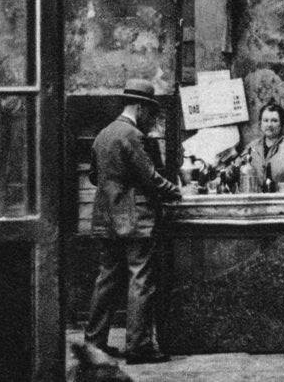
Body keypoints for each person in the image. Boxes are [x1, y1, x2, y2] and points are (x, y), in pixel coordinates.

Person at [84, 79, 182, 365]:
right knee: (141, 280)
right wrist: (176, 191)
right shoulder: (132, 135)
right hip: (135, 221)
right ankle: (139, 346)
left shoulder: (103, 134)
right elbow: (149, 177)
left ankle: (94, 344)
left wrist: (115, 186)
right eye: (150, 113)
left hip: (106, 219)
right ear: (140, 108)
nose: (150, 119)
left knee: (107, 280)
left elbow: (94, 177)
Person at [222, 103, 284, 191]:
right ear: (260, 124)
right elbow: (235, 168)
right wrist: (229, 171)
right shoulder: (252, 147)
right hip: (257, 199)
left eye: (274, 121)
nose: (269, 125)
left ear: (282, 124)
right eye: (265, 120)